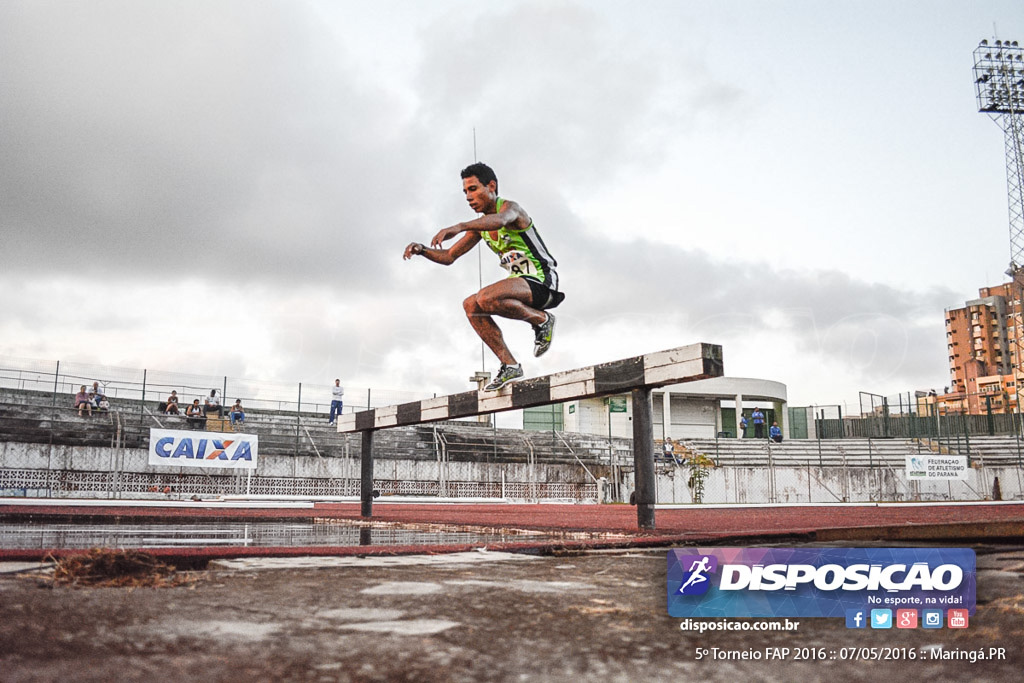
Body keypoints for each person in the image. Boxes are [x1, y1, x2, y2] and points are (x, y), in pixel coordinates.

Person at [403, 162, 564, 391]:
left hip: (544, 281)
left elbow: (499, 220)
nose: (468, 197)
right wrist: (422, 250)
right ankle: (509, 365)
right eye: (465, 192)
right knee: (471, 305)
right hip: (520, 286)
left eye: (473, 189)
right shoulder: (480, 228)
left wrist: (458, 226)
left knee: (485, 296)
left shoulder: (511, 208)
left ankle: (541, 320)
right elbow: (449, 255)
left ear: (491, 186)